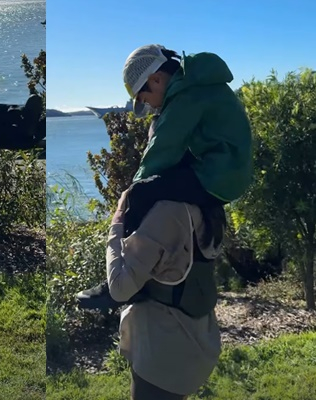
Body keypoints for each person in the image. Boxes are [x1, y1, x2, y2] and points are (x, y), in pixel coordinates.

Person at [77, 44, 253, 309]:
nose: (146, 104)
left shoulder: (186, 96)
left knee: (141, 193)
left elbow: (162, 150)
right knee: (160, 183)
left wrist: (130, 193)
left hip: (217, 175)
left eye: (143, 96)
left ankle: (125, 280)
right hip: (224, 170)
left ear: (156, 79)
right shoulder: (198, 84)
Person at [109, 190, 224, 400]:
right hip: (197, 340)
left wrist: (118, 218)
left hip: (162, 352)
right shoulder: (209, 204)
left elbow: (119, 287)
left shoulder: (170, 211)